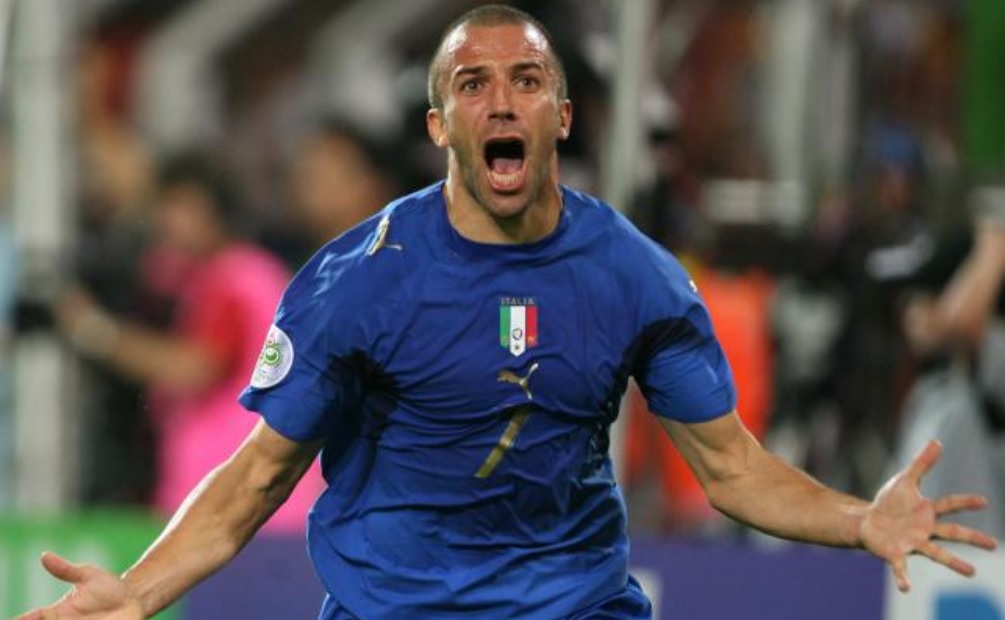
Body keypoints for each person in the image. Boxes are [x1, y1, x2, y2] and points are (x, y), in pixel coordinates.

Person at [17, 6, 997, 619]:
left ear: (560, 117)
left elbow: (732, 469)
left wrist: (860, 517)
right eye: (472, 85)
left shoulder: (634, 276)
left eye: (526, 81)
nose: (500, 103)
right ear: (439, 124)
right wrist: (136, 591)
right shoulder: (357, 279)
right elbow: (255, 478)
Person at [51, 151, 323, 532]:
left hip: (239, 497)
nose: (168, 221)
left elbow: (194, 368)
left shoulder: (235, 278)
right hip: (247, 491)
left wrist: (91, 329)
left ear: (216, 211)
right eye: (164, 206)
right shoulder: (231, 273)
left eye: (182, 207)